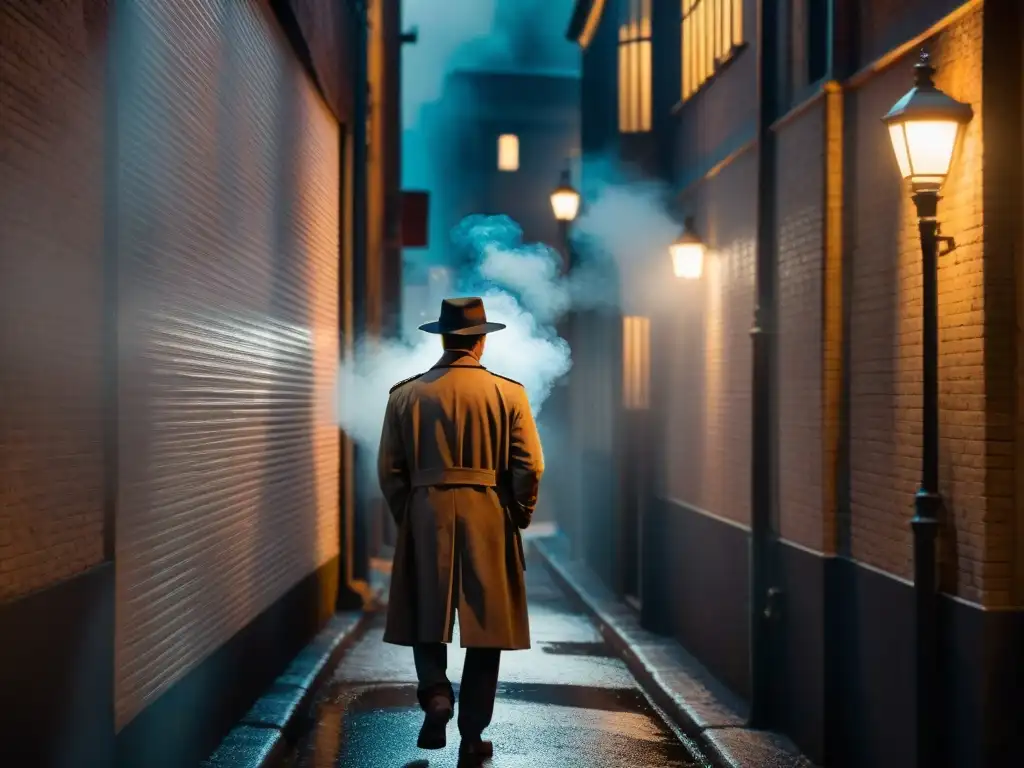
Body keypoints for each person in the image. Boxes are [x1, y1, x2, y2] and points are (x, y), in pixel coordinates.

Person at [377, 296, 544, 764]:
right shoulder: (508, 394)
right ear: (481, 341)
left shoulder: (405, 394)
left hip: (425, 510)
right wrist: (520, 512)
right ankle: (472, 734)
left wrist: (407, 516)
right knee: (486, 628)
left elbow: (390, 471)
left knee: (423, 611)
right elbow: (529, 466)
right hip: (488, 512)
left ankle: (434, 694)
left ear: (444, 337)